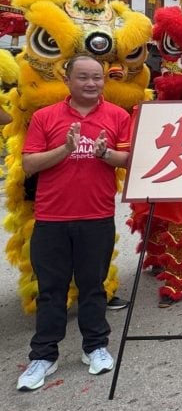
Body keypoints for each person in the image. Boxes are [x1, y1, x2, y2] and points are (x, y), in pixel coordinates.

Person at [16, 56, 131, 391]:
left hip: (97, 217)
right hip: (52, 219)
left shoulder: (117, 115)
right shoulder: (45, 117)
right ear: (66, 79)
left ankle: (94, 347)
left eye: (97, 78)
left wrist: (104, 154)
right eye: (83, 77)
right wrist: (64, 149)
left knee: (93, 287)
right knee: (51, 291)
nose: (91, 83)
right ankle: (43, 355)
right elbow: (28, 163)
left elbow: (126, 157)